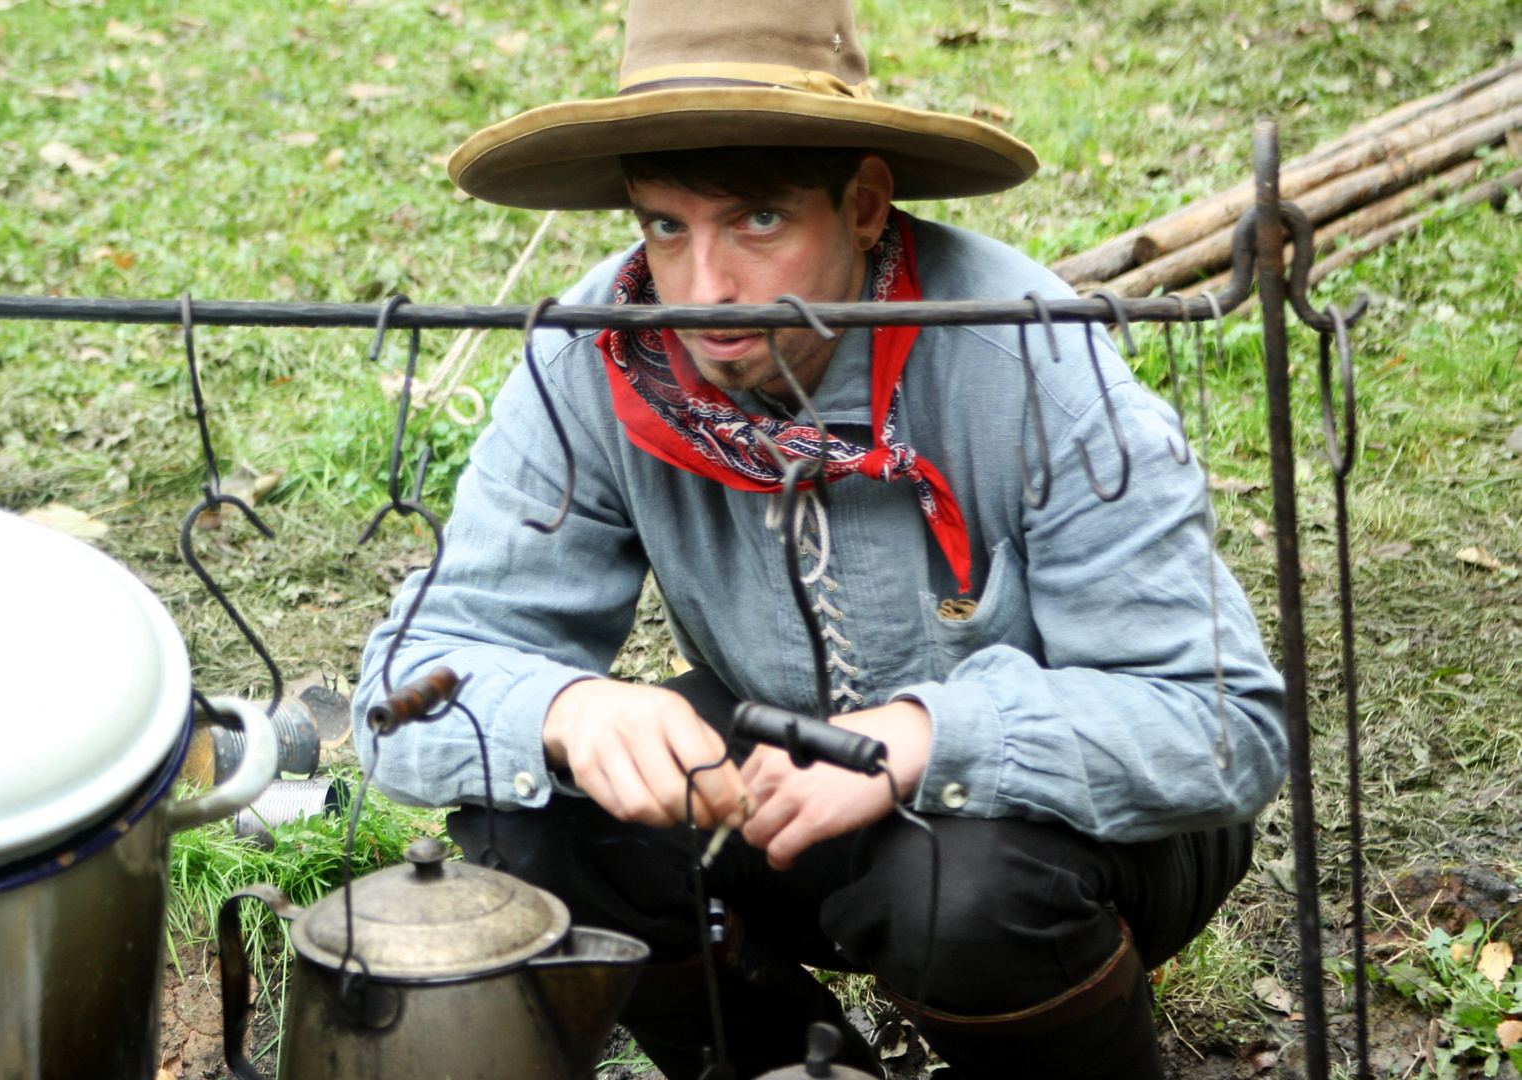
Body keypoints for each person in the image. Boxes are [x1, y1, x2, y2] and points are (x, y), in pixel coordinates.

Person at [353, 2, 1287, 1077]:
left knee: (957, 896)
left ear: (865, 203)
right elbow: (404, 690)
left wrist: (931, 737)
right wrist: (565, 707)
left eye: (757, 220)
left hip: (1070, 825)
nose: (703, 291)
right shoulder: (596, 354)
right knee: (532, 828)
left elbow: (1224, 728)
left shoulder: (1032, 354)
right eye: (665, 225)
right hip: (783, 794)